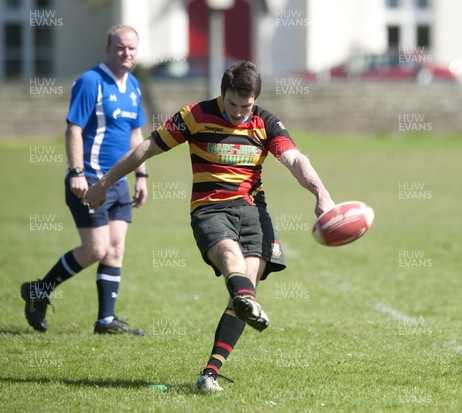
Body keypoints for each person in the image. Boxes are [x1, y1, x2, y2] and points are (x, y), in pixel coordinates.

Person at [84, 60, 335, 391]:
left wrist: (322, 195)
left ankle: (210, 374)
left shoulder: (265, 122)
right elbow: (145, 149)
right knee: (232, 261)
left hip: (253, 212)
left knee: (244, 292)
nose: (238, 113)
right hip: (210, 209)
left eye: (246, 106)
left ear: (255, 99)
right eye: (232, 104)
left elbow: (295, 160)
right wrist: (103, 183)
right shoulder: (195, 116)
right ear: (222, 94)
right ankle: (244, 303)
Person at [20, 25, 148, 335]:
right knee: (96, 249)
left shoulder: (133, 85)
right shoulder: (91, 82)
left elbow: (136, 133)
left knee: (115, 249)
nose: (126, 53)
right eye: (120, 47)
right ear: (107, 49)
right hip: (90, 180)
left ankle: (106, 321)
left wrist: (142, 176)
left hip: (118, 182)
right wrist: (76, 172)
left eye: (131, 48)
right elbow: (73, 129)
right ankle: (39, 289)